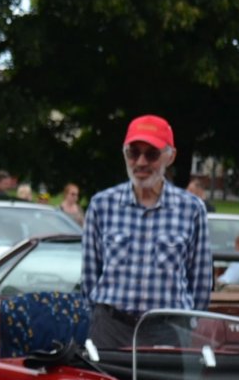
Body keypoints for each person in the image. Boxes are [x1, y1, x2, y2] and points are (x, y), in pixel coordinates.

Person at [83, 115, 211, 349]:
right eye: (133, 153)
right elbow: (90, 275)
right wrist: (101, 318)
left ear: (169, 156)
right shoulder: (101, 205)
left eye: (151, 154)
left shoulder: (192, 209)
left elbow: (201, 281)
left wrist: (185, 324)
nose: (140, 162)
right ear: (125, 154)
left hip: (168, 331)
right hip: (111, 329)